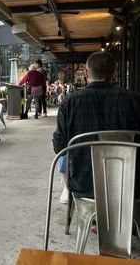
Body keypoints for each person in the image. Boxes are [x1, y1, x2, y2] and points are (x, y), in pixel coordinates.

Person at [53, 51, 140, 204]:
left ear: (86, 73)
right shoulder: (134, 100)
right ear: (114, 72)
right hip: (129, 184)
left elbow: (60, 146)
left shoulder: (70, 102)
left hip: (84, 185)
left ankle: (91, 221)